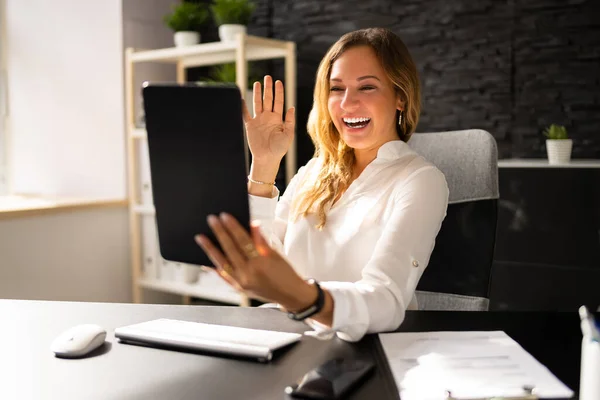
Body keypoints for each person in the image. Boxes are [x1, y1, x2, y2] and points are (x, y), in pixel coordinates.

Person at [195, 27, 449, 342]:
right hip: (288, 339)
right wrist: (263, 163)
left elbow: (387, 300)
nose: (347, 103)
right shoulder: (313, 171)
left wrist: (306, 298)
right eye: (336, 88)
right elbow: (264, 257)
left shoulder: (420, 181)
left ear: (400, 96)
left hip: (367, 353)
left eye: (367, 87)